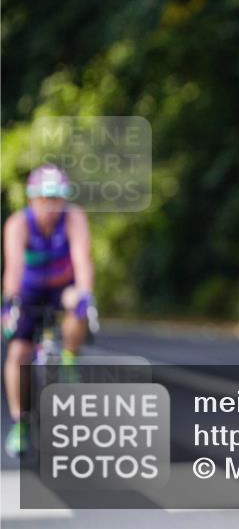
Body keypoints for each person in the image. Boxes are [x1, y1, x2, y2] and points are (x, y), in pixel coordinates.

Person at [2, 164, 98, 457]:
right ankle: (20, 422)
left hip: (61, 288)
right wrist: (10, 303)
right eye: (45, 198)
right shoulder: (18, 223)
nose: (51, 205)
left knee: (79, 305)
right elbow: (14, 268)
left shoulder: (73, 218)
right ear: (33, 199)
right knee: (19, 353)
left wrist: (85, 293)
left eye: (57, 198)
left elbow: (82, 259)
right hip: (29, 291)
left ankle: (69, 360)